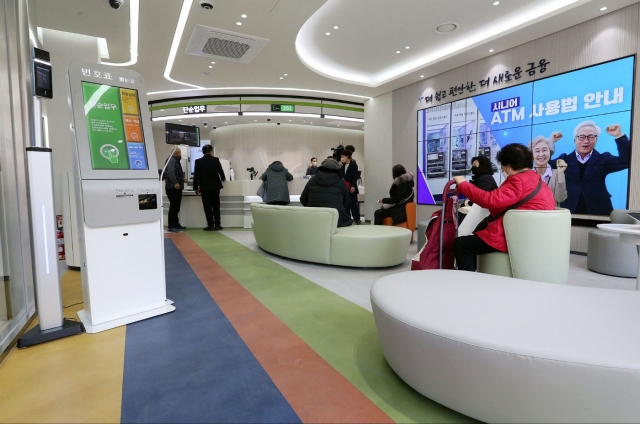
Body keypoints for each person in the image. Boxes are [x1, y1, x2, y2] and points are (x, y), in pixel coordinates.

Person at [452, 143, 556, 272]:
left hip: (515, 235)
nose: (503, 170)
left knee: (461, 244)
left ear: (508, 165)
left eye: (502, 165)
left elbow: (489, 200)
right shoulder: (536, 179)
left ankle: (469, 282)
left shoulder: (518, 181)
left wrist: (463, 183)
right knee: (479, 229)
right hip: (533, 234)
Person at [551, 121, 630, 215]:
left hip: (599, 210)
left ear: (596, 140)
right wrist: (550, 142)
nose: (586, 141)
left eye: (591, 137)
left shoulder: (603, 159)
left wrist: (619, 136)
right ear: (574, 140)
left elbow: (626, 161)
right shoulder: (564, 159)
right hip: (569, 209)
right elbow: (543, 165)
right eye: (581, 137)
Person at [300, 158, 353, 227]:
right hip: (336, 220)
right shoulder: (341, 182)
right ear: (337, 169)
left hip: (313, 219)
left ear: (321, 168)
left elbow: (303, 200)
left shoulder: (312, 180)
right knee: (348, 217)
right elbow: (347, 201)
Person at [193, 144, 226, 231]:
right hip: (215, 186)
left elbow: (196, 176)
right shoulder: (216, 160)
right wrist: (223, 179)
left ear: (203, 152)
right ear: (211, 151)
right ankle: (218, 224)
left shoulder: (198, 161)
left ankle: (210, 225)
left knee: (207, 206)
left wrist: (195, 188)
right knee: (216, 206)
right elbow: (221, 172)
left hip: (204, 187)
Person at [530, 133, 568, 206]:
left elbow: (560, 199)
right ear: (532, 155)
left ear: (550, 153)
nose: (541, 154)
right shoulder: (526, 175)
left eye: (544, 150)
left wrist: (561, 174)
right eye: (537, 151)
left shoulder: (557, 173)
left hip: (551, 216)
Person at [165, 147, 185, 233]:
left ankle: (176, 224)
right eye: (179, 153)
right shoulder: (172, 160)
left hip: (174, 187)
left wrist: (182, 180)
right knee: (174, 207)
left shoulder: (174, 160)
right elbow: (170, 172)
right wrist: (176, 183)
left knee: (176, 207)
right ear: (177, 153)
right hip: (173, 188)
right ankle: (172, 226)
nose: (180, 155)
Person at [340, 149, 361, 224]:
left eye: (342, 156)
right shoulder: (342, 166)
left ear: (347, 156)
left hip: (352, 187)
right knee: (346, 205)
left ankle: (357, 219)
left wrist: (353, 186)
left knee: (353, 204)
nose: (341, 158)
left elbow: (355, 177)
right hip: (345, 187)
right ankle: (347, 219)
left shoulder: (353, 165)